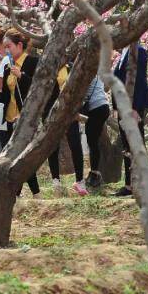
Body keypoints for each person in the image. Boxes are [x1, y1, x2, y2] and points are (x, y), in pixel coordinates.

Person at [0, 29, 42, 199]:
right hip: (8, 117)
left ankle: (35, 192)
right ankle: (16, 193)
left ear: (19, 45)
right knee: (10, 158)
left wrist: (22, 75)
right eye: (5, 47)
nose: (6, 50)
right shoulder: (8, 65)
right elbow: (7, 93)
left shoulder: (33, 62)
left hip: (25, 117)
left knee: (22, 157)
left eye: (9, 46)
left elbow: (39, 87)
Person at [113, 44, 148, 197]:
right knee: (127, 144)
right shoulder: (124, 52)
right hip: (123, 105)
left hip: (132, 106)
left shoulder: (139, 52)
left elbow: (139, 80)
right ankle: (129, 185)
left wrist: (135, 107)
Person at [45, 64, 88, 197]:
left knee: (75, 144)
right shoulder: (48, 68)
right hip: (52, 112)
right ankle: (56, 182)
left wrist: (76, 110)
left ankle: (80, 181)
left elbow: (79, 90)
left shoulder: (72, 68)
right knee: (53, 147)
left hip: (70, 112)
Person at [82, 76, 111, 190]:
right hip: (104, 106)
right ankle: (95, 173)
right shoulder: (97, 73)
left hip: (96, 108)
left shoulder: (86, 71)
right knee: (93, 142)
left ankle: (95, 175)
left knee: (92, 142)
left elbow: (81, 93)